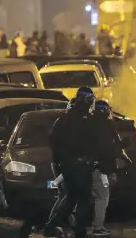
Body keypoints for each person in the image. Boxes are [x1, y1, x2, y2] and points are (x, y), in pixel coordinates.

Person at [43, 87, 99, 238]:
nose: (90, 103)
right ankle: (60, 227)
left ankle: (58, 226)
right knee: (77, 197)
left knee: (74, 197)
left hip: (72, 165)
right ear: (84, 99)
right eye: (89, 100)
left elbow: (54, 142)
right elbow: (56, 142)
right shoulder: (77, 120)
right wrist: (73, 159)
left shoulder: (67, 119)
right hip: (74, 166)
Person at [91, 100, 119, 236]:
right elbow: (109, 151)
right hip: (100, 168)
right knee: (103, 196)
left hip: (84, 166)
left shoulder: (86, 124)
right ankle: (97, 227)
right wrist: (112, 171)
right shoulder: (106, 127)